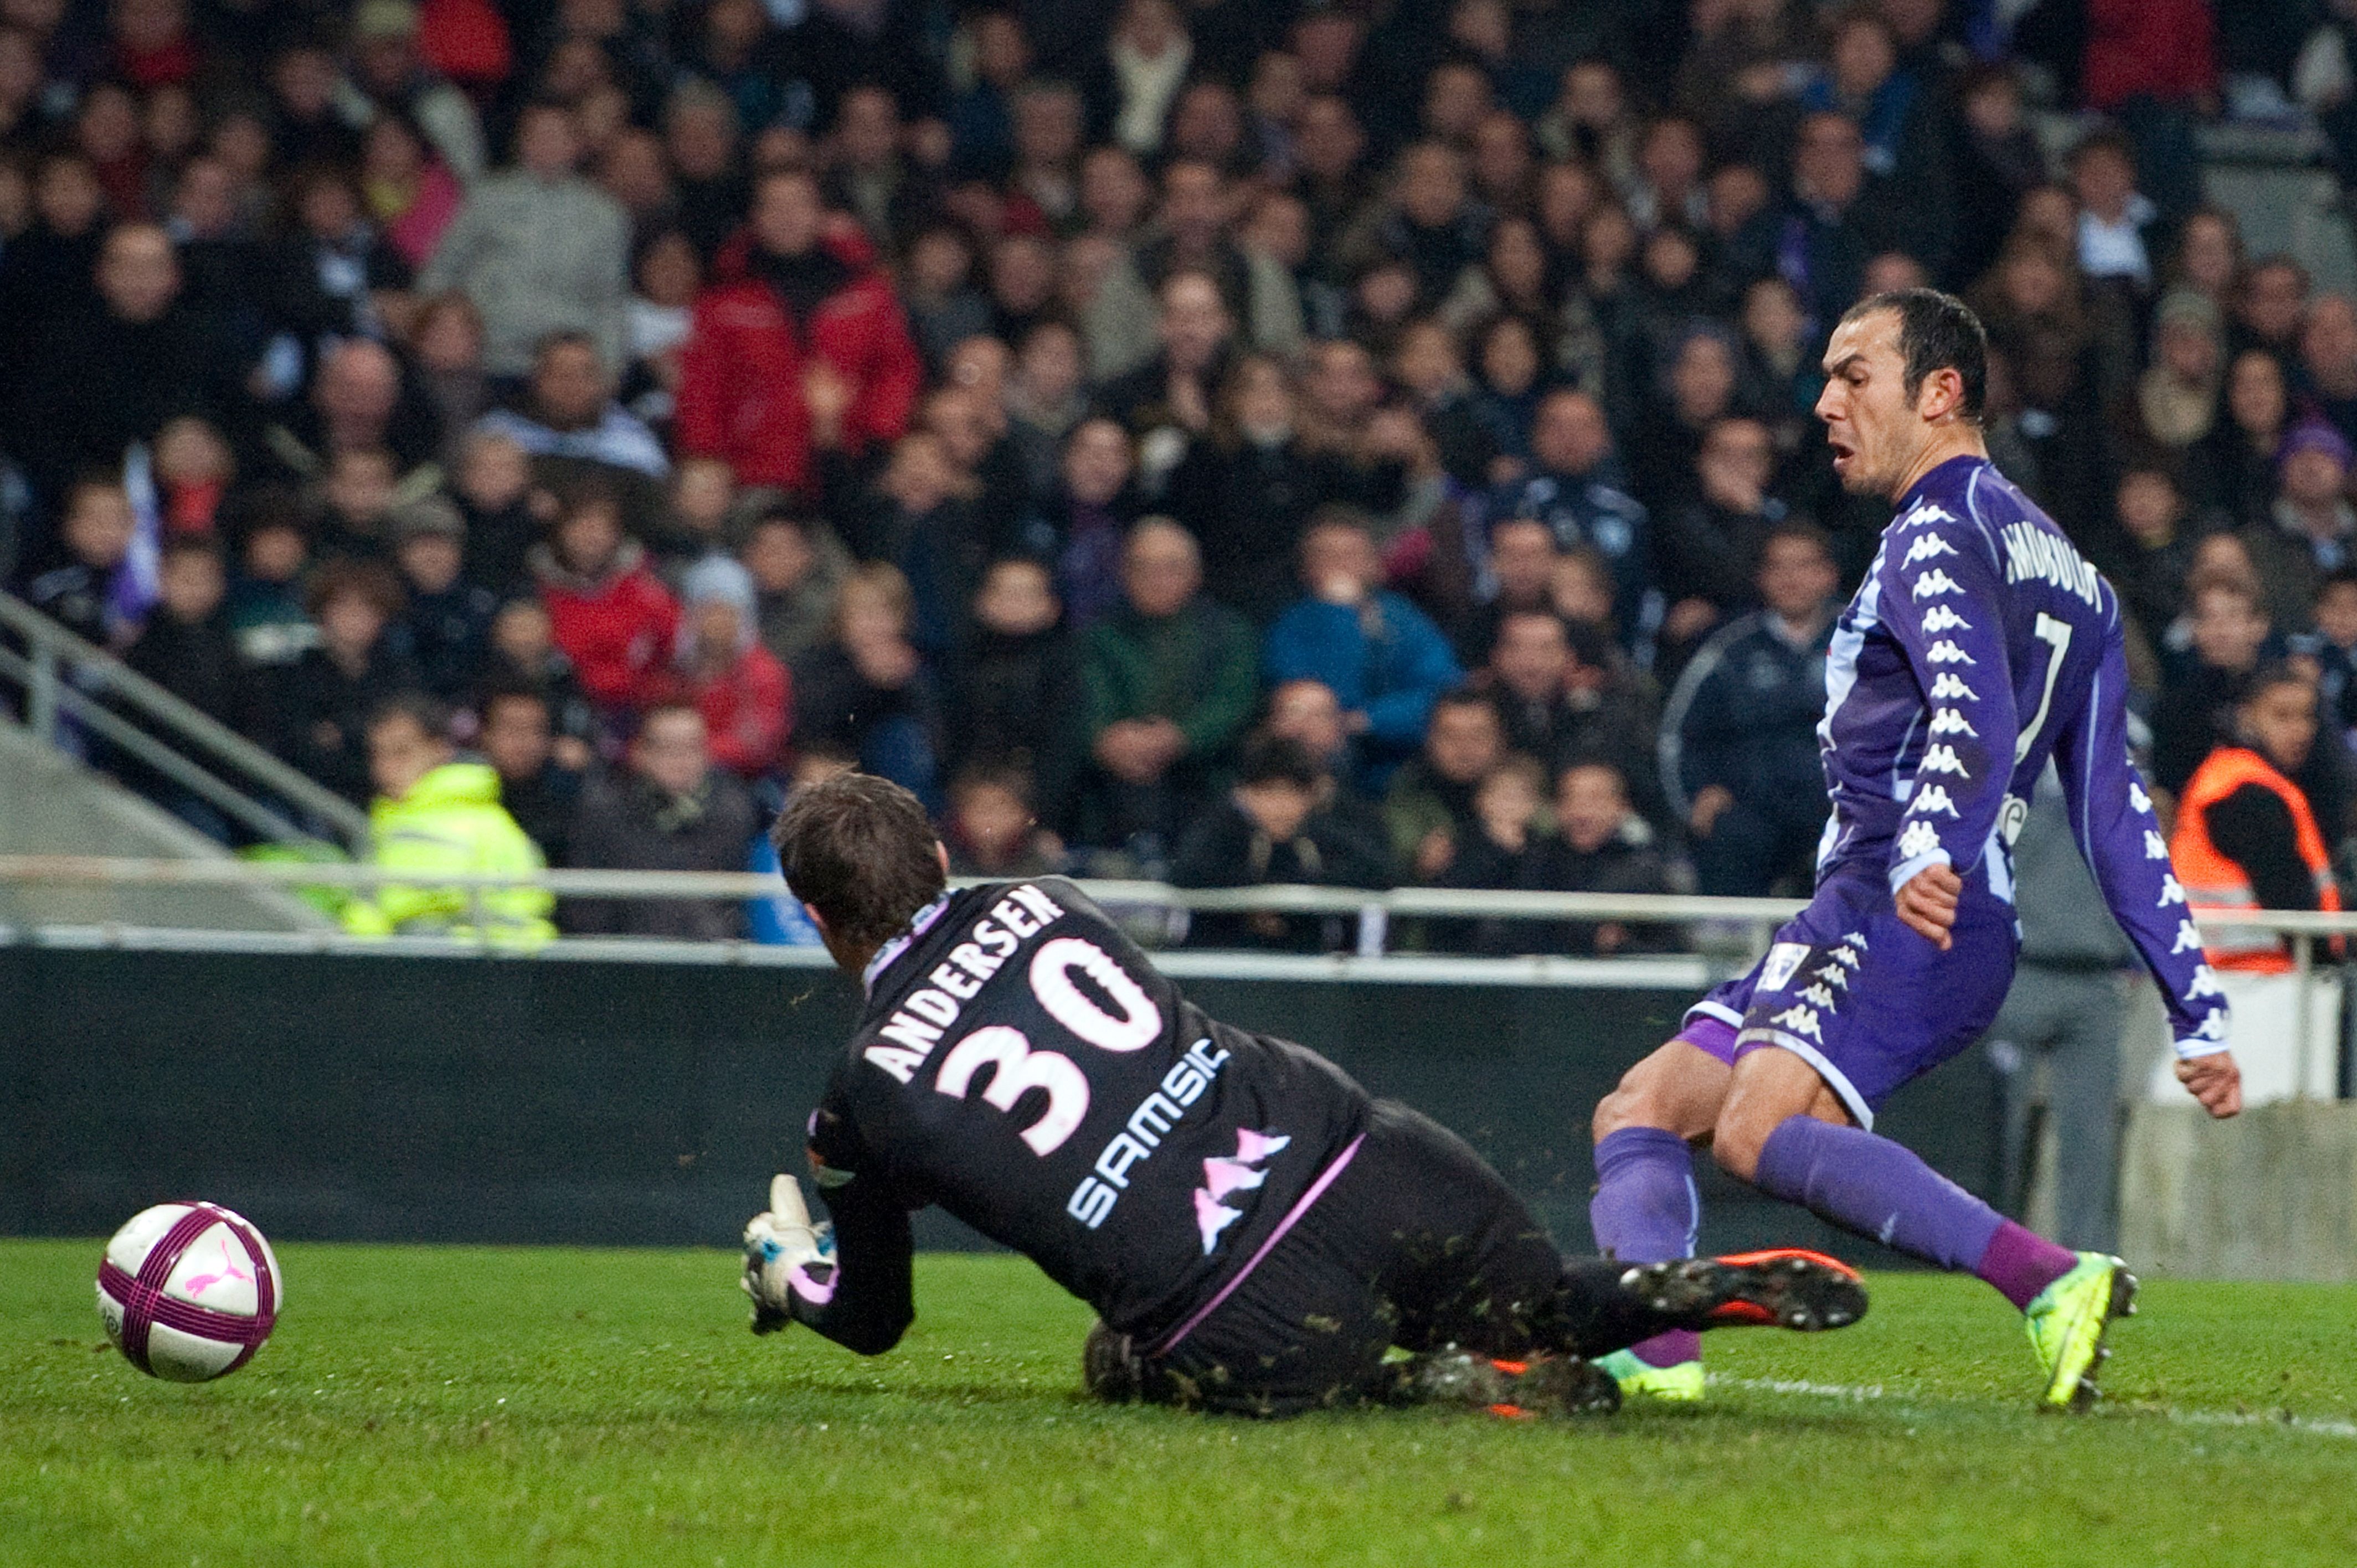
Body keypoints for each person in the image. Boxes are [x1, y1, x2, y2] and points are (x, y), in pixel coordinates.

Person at [1586, 289, 2237, 1413]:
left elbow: (1970, 714)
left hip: (1909, 901)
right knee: (1639, 1110)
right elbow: (2112, 817)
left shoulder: (1936, 528)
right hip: (1883, 902)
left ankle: (2050, 1279)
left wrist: (1927, 842)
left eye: (1852, 376)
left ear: (1940, 393)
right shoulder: (2079, 581)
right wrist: (2197, 1007)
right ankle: (1656, 1364)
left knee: (1756, 1130)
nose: (1824, 402)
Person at [740, 771, 1868, 1416]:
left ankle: (1423, 1388)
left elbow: (878, 1321)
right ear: (940, 854)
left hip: (1230, 1305)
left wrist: (793, 1277)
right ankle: (1656, 1291)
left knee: (1119, 1366)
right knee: (1550, 1305)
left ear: (820, 920)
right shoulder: (1055, 900)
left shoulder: (859, 1102)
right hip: (1366, 1157)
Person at [1658, 524, 1841, 898]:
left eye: (1804, 566)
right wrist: (1696, 798)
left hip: (1841, 808)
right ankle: (1729, 953)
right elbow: (1677, 738)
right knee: (1727, 837)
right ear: (1762, 578)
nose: (1791, 579)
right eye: (1778, 567)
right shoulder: (1728, 649)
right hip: (1750, 813)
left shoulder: (1867, 640)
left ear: (1828, 574)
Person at [2170, 665, 2345, 975]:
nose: (2300, 731)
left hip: (2230, 977)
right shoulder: (2247, 792)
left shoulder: (2230, 777)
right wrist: (2330, 962)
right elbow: (2288, 896)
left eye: (2307, 716)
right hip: (2256, 982)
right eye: (2282, 716)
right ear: (2247, 717)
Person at [341, 695, 557, 943]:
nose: (386, 767)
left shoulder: (490, 825)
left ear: (439, 750)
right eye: (378, 754)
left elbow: (523, 916)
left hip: (467, 971)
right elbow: (365, 914)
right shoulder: (382, 824)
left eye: (402, 752)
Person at [564, 703, 761, 941]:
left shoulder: (734, 813)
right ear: (640, 753)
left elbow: (737, 908)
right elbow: (588, 909)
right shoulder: (604, 814)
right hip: (627, 961)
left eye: (692, 748)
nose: (681, 760)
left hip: (711, 961)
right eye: (668, 748)